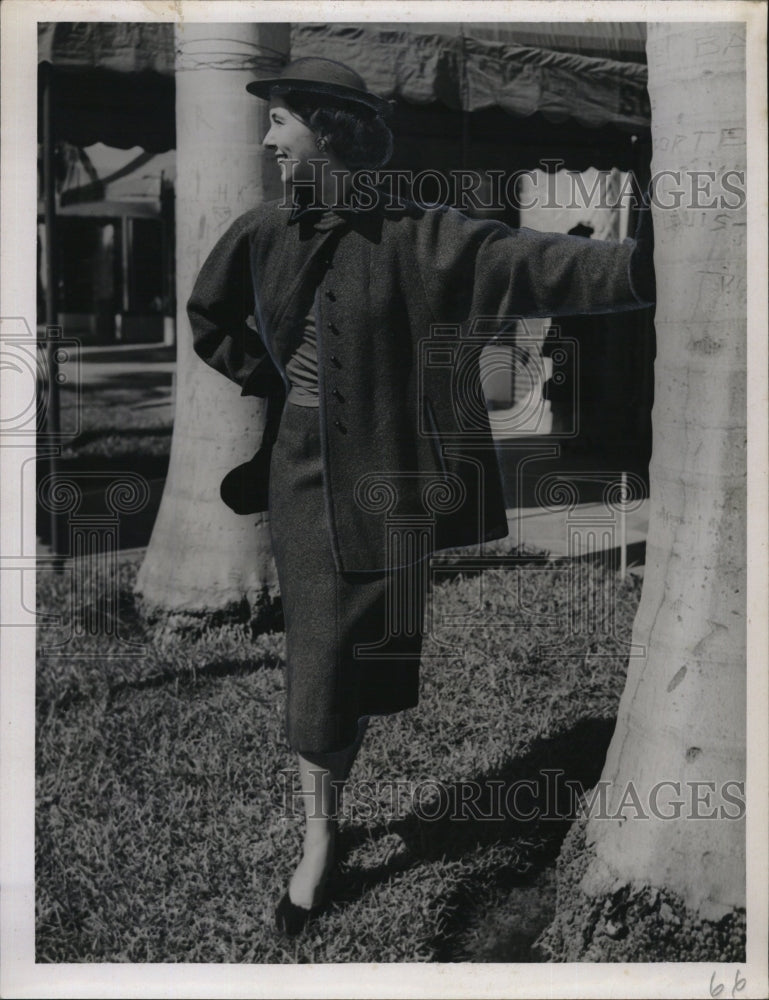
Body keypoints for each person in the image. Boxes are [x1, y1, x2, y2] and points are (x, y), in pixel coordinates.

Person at [188, 57, 655, 936]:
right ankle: (320, 842)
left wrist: (646, 268)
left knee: (362, 664)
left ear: (327, 130)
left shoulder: (422, 233)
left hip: (390, 481)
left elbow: (533, 264)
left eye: (280, 120)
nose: (267, 138)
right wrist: (276, 379)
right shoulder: (262, 230)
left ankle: (330, 797)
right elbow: (209, 318)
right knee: (321, 662)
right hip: (300, 475)